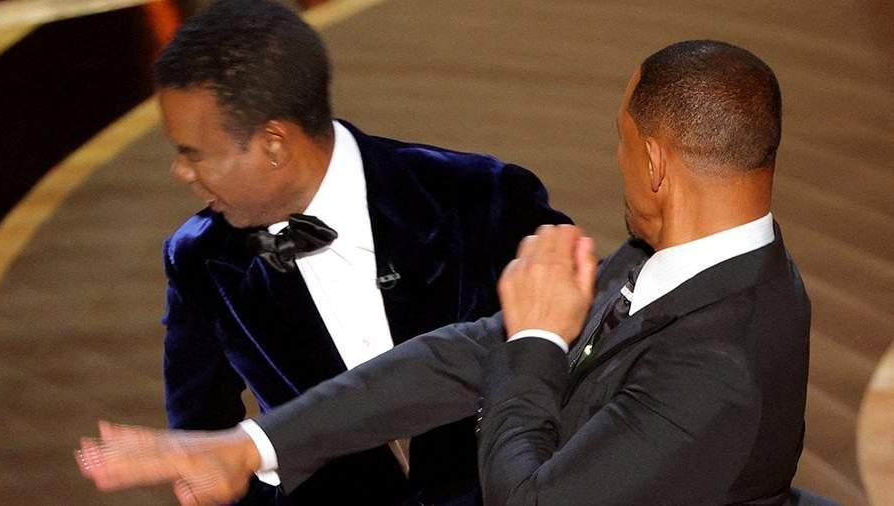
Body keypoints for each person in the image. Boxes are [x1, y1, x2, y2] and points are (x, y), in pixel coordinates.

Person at [77, 40, 810, 506]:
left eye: (621, 142)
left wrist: (535, 343)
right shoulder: (679, 256)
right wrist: (249, 445)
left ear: (653, 161)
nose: (616, 160)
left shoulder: (719, 364)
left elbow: (528, 496)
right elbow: (467, 353)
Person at [146, 0, 569, 504]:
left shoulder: (483, 197)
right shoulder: (200, 258)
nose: (180, 172)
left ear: (274, 143)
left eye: (192, 153)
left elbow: (594, 359)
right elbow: (203, 440)